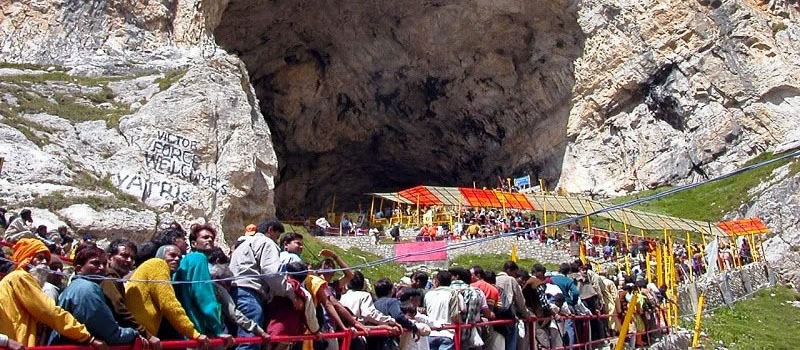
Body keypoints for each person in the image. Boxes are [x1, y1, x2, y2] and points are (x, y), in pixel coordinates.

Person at [0, 238, 107, 349]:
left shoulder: (19, 280)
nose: (45, 262)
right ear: (27, 258)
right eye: (40, 258)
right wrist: (87, 336)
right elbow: (49, 311)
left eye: (47, 259)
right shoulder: (20, 277)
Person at [230, 218, 301, 350]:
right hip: (251, 294)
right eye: (277, 236)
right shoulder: (266, 243)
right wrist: (291, 294)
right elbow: (272, 273)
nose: (277, 241)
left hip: (235, 292)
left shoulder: (243, 243)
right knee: (250, 341)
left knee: (240, 339)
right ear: (270, 230)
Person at [49, 245, 138, 345]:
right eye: (95, 263)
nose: (102, 268)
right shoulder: (86, 289)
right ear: (79, 268)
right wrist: (135, 333)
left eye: (104, 264)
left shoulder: (76, 287)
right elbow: (111, 333)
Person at [125, 245, 210, 347]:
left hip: (139, 335)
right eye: (172, 255)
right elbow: (168, 304)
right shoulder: (158, 264)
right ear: (161, 256)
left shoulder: (152, 267)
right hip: (139, 337)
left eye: (180, 257)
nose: (177, 259)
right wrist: (194, 333)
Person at [101, 239, 160, 349]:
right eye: (124, 255)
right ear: (109, 257)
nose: (129, 261)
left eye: (132, 258)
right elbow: (119, 308)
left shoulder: (116, 279)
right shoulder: (108, 278)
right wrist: (146, 334)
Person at [173, 252, 234, 347]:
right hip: (201, 335)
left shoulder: (175, 281)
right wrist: (217, 330)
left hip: (180, 333)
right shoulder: (199, 265)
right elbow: (205, 300)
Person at [424, 271, 462, 350]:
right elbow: (454, 315)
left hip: (431, 332)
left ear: (437, 281)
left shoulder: (428, 294)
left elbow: (425, 313)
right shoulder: (452, 293)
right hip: (447, 333)